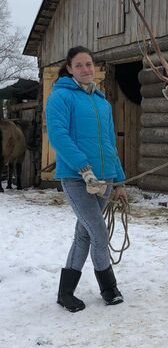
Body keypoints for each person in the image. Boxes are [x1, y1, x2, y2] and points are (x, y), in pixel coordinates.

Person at [46, 46, 128, 313]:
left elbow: (109, 144)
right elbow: (59, 137)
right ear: (69, 69)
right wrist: (84, 168)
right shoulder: (61, 98)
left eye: (89, 64)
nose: (85, 69)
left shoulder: (102, 102)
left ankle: (65, 292)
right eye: (79, 65)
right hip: (76, 178)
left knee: (83, 234)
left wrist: (119, 182)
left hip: (103, 180)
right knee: (98, 232)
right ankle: (109, 287)